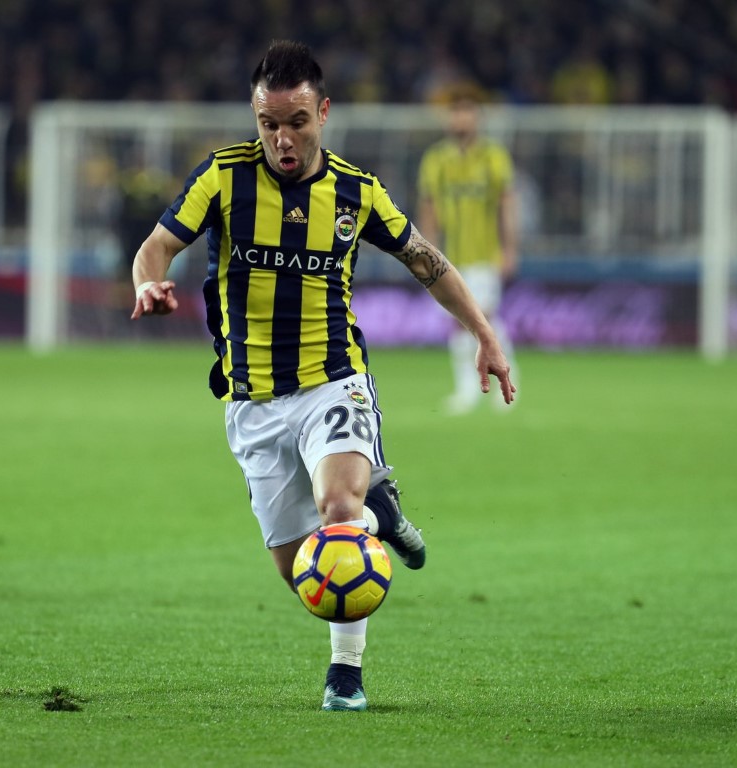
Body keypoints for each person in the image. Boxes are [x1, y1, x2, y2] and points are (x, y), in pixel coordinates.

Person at [130, 40, 515, 712]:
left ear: (324, 113)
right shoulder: (222, 177)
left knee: (338, 514)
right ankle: (380, 510)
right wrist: (147, 283)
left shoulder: (356, 192)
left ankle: (346, 673)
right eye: (268, 123)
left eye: (296, 122)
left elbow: (426, 261)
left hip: (332, 380)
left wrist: (484, 333)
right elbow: (157, 246)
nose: (282, 138)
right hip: (252, 400)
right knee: (304, 574)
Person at [417, 86, 520, 414]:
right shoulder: (436, 159)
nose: (461, 119)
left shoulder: (493, 157)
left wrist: (509, 248)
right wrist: (425, 251)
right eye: (456, 112)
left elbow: (506, 204)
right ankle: (467, 388)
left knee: (484, 317)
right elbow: (429, 207)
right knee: (456, 321)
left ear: (477, 118)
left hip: (484, 254)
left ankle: (508, 380)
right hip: (449, 256)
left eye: (467, 112)